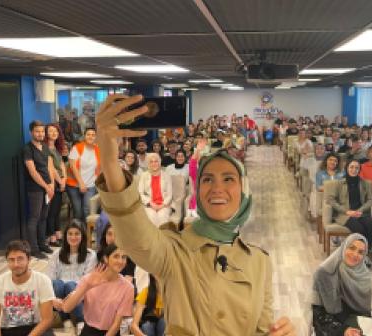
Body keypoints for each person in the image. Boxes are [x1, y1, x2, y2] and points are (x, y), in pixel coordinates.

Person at [93, 94, 295, 335]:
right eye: (208, 179)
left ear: (244, 192)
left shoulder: (260, 261)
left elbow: (262, 328)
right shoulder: (173, 251)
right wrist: (108, 156)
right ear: (198, 192)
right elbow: (134, 234)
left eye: (229, 179)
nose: (217, 188)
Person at [61, 244, 134, 336]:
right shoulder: (89, 279)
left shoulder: (128, 288)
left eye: (124, 257)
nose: (120, 261)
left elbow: (116, 324)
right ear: (106, 259)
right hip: (88, 330)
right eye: (116, 256)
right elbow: (66, 308)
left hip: (111, 333)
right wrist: (87, 286)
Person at [0, 240, 55, 336]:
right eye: (11, 260)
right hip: (8, 329)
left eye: (20, 259)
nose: (16, 264)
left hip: (35, 329)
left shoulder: (42, 280)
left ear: (29, 259)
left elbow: (47, 319)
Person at [312, 234, 371, 336]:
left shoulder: (364, 275)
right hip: (331, 327)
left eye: (361, 252)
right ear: (343, 248)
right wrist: (344, 330)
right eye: (352, 248)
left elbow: (365, 311)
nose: (355, 254)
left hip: (356, 324)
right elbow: (318, 315)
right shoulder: (324, 273)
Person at [48, 223, 96, 326]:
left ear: (82, 236)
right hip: (59, 294)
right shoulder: (56, 254)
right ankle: (65, 319)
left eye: (77, 234)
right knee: (57, 283)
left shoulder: (91, 255)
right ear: (65, 236)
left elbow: (87, 281)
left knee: (70, 285)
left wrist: (72, 293)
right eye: (70, 234)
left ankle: (80, 321)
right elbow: (49, 278)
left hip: (79, 293)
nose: (73, 237)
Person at [23, 120, 55, 259]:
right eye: (37, 131)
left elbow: (49, 168)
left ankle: (42, 244)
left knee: (44, 217)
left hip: (48, 188)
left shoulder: (46, 147)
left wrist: (52, 184)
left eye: (42, 131)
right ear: (31, 132)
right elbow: (32, 171)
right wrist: (46, 186)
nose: (40, 134)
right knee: (34, 218)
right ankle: (34, 249)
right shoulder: (27, 149)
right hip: (35, 188)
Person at [327, 159, 372, 246]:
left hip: (360, 213)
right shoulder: (339, 183)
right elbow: (330, 200)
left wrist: (361, 210)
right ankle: (358, 251)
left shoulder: (365, 183)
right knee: (359, 229)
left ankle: (366, 250)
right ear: (347, 168)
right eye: (351, 167)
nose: (354, 170)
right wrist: (346, 211)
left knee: (371, 224)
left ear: (359, 170)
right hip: (345, 214)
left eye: (357, 168)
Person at [66, 128, 100, 226]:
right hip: (74, 185)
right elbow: (72, 166)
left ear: (96, 137)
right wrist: (81, 183)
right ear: (84, 136)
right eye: (88, 134)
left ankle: (87, 234)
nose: (91, 136)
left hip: (90, 185)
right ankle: (78, 232)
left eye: (93, 134)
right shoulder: (77, 147)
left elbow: (99, 168)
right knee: (78, 212)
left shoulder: (98, 149)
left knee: (87, 210)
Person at [45, 123, 67, 248]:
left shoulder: (57, 148)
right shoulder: (45, 148)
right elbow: (51, 169)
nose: (53, 133)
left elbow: (62, 165)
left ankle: (58, 235)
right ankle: (52, 237)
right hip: (52, 183)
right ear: (46, 133)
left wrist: (64, 179)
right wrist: (60, 181)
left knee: (57, 211)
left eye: (56, 131)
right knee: (51, 212)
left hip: (60, 182)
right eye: (50, 131)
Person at [138, 153, 173, 226]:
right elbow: (140, 193)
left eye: (156, 161)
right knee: (151, 217)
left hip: (164, 205)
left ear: (159, 162)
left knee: (162, 217)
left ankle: (162, 236)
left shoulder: (166, 175)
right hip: (150, 205)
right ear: (148, 163)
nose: (154, 163)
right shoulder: (144, 175)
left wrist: (162, 205)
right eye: (151, 161)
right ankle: (153, 237)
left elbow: (170, 194)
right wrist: (150, 203)